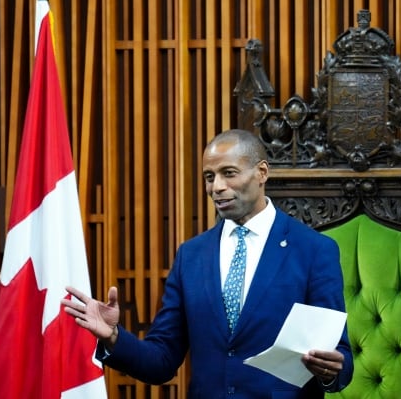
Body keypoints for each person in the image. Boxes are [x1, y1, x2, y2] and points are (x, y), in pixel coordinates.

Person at [62, 129, 353, 398]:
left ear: (261, 172)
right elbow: (162, 360)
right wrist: (114, 337)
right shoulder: (191, 255)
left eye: (229, 173)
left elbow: (339, 360)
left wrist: (331, 371)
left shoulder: (314, 250)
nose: (217, 187)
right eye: (209, 176)